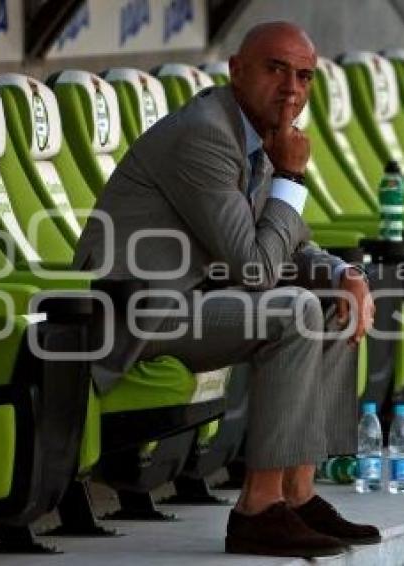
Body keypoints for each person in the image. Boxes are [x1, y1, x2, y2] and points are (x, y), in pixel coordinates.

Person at [73, 21, 381, 558]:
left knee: (328, 302)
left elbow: (288, 245)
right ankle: (258, 511)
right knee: (294, 312)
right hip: (138, 312)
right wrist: (292, 177)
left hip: (194, 300)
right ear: (236, 70)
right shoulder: (206, 135)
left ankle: (297, 495)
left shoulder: (256, 134)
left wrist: (343, 275)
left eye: (304, 77)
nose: (291, 89)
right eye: (276, 70)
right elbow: (258, 268)